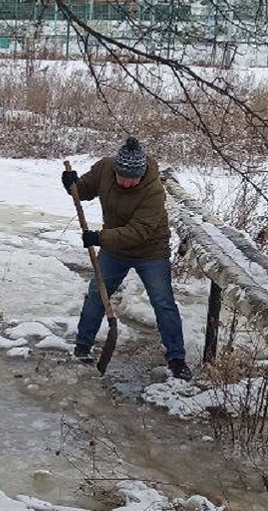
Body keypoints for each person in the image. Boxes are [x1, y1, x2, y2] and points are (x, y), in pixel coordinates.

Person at [62, 136, 192, 381]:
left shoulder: (153, 190)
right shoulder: (104, 168)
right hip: (114, 249)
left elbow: (138, 232)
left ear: (142, 174)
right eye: (124, 177)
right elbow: (82, 191)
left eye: (134, 179)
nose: (129, 183)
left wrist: (99, 238)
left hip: (150, 250)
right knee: (96, 294)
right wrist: (71, 184)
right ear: (116, 170)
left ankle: (177, 359)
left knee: (163, 302)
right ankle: (82, 347)